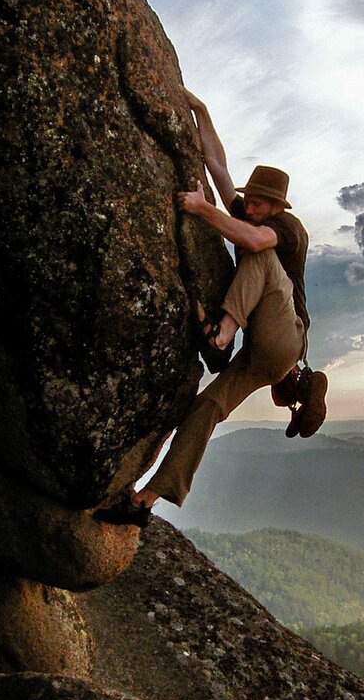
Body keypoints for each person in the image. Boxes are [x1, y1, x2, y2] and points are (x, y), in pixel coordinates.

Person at [123, 90, 326, 516]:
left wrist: (200, 210)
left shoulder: (285, 227)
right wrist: (202, 113)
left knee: (258, 254)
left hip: (287, 338)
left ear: (275, 206)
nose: (247, 205)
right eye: (248, 199)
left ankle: (221, 336)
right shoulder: (250, 211)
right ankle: (150, 497)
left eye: (257, 202)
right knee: (206, 408)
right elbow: (218, 167)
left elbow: (252, 240)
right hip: (265, 354)